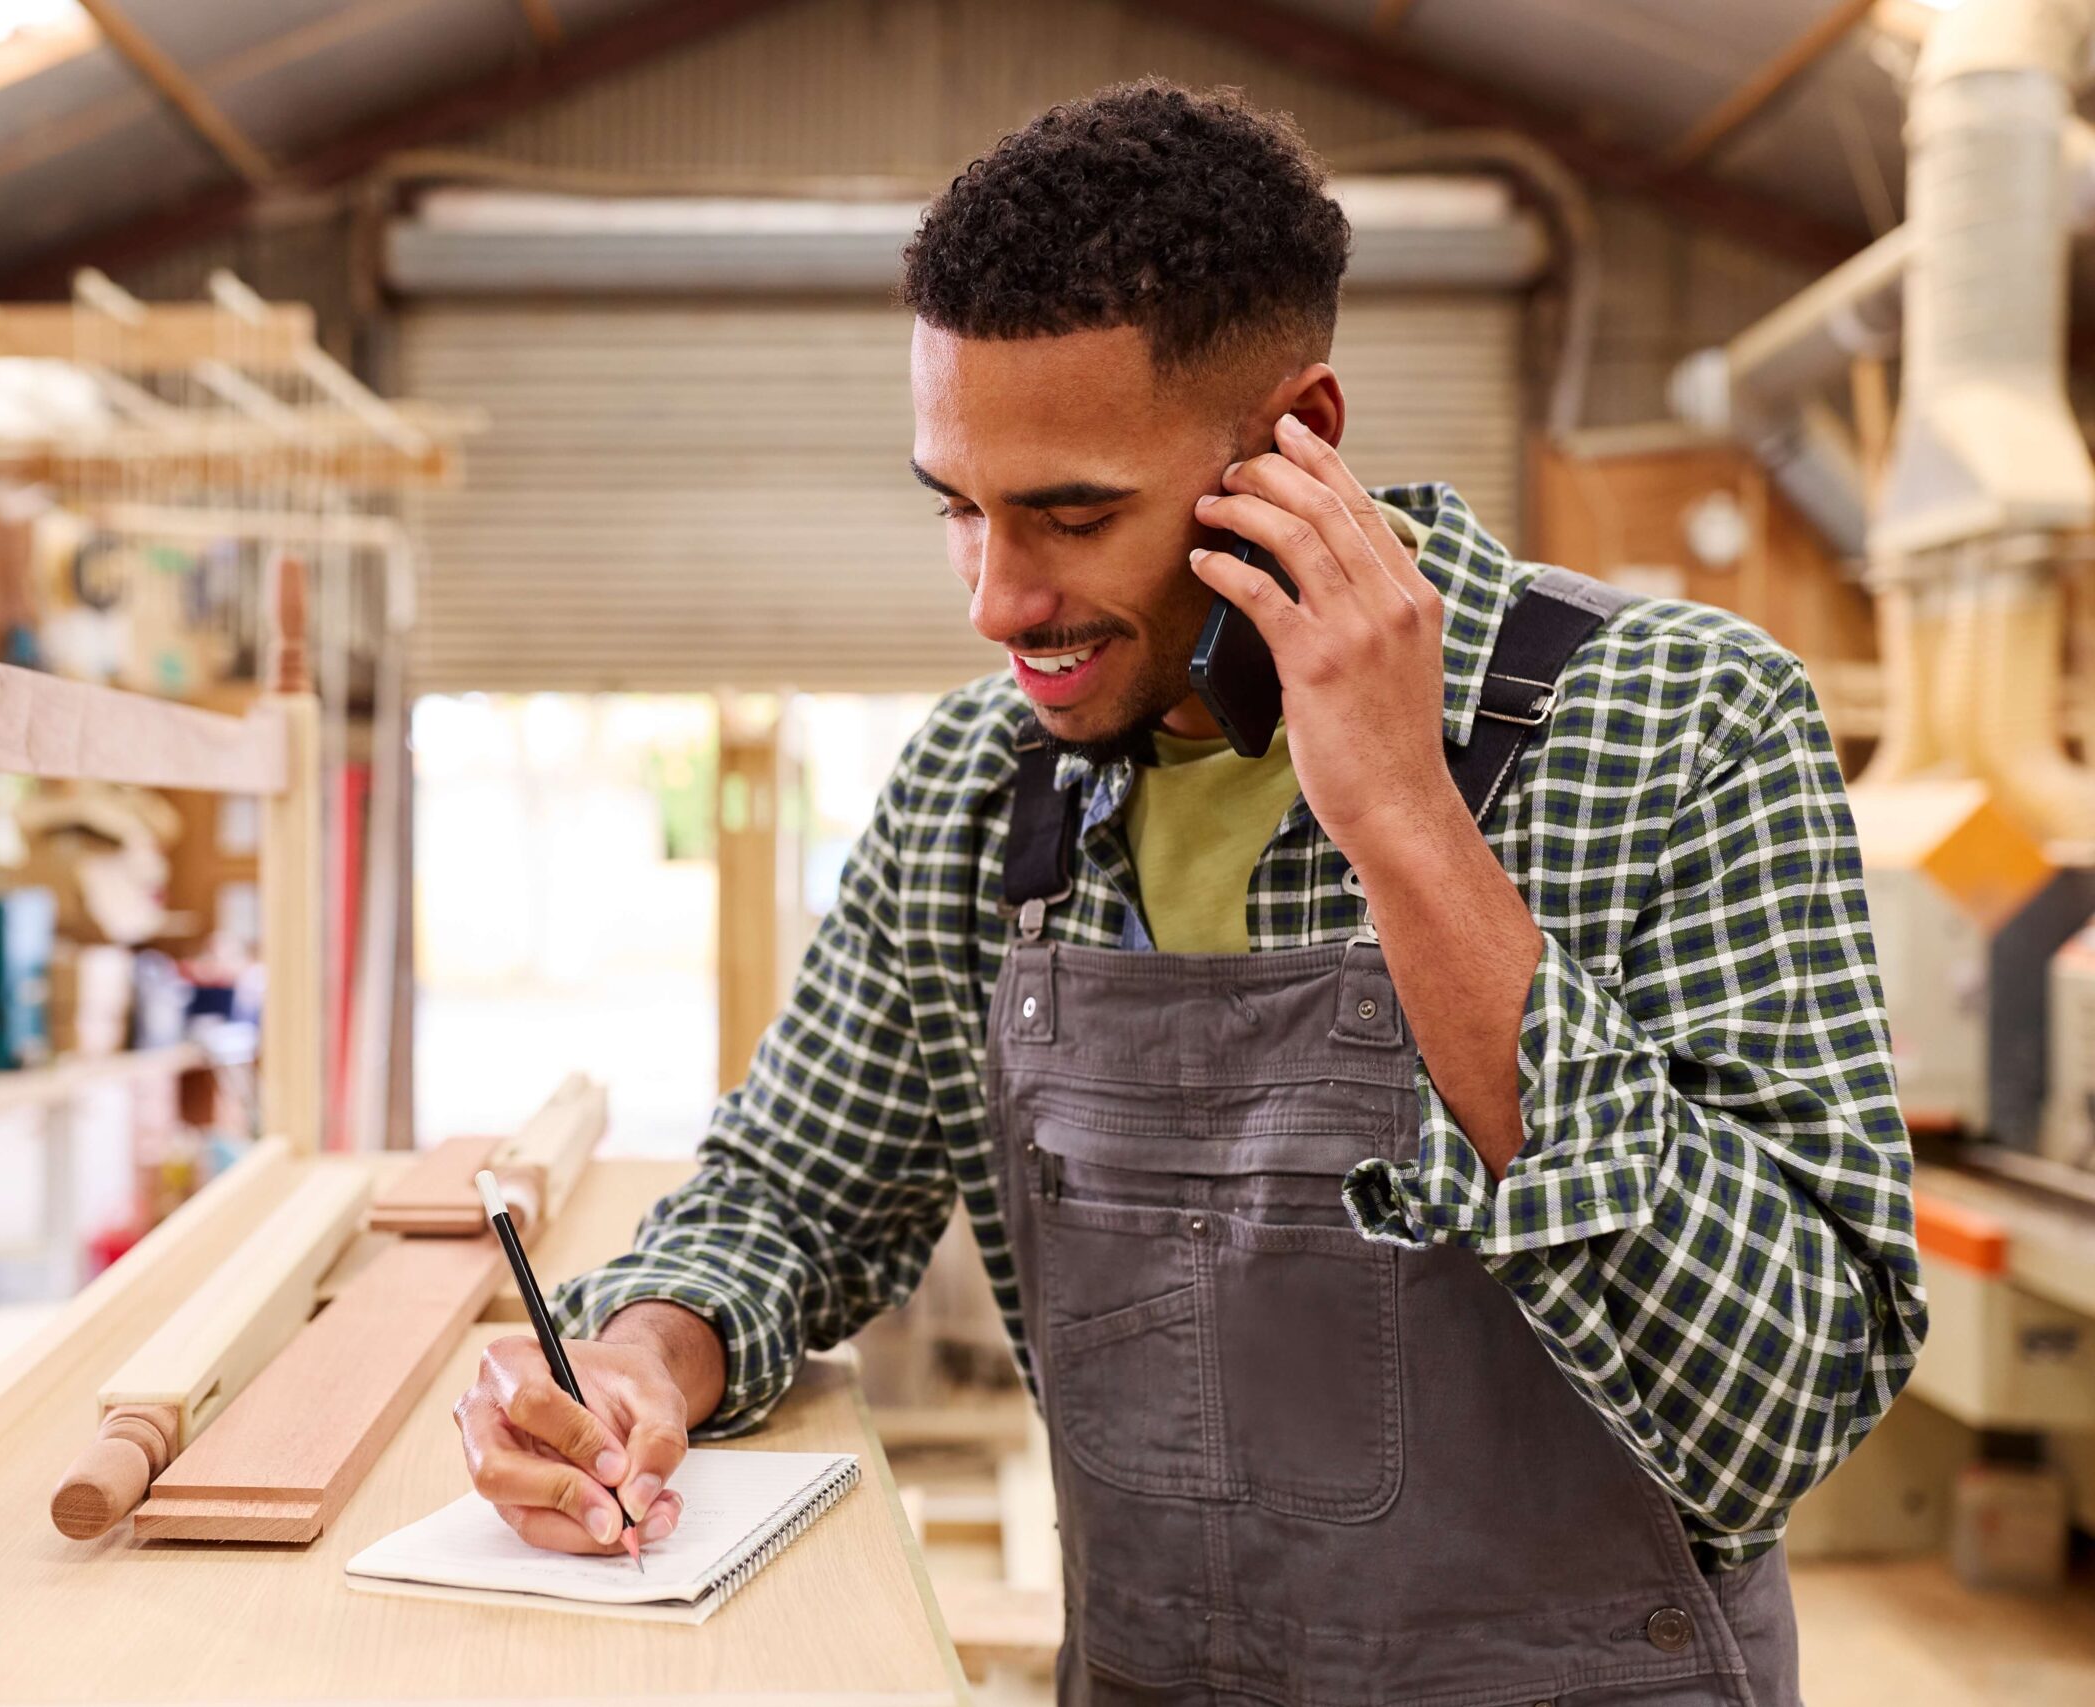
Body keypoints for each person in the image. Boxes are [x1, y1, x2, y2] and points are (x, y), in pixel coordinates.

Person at [451, 79, 1926, 1705]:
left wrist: (1407, 825)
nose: (998, 601)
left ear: (1297, 441)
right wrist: (645, 1353)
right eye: (960, 509)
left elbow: (1790, 1406)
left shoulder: (1682, 723)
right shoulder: (977, 789)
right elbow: (795, 1192)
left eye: (1073, 515)